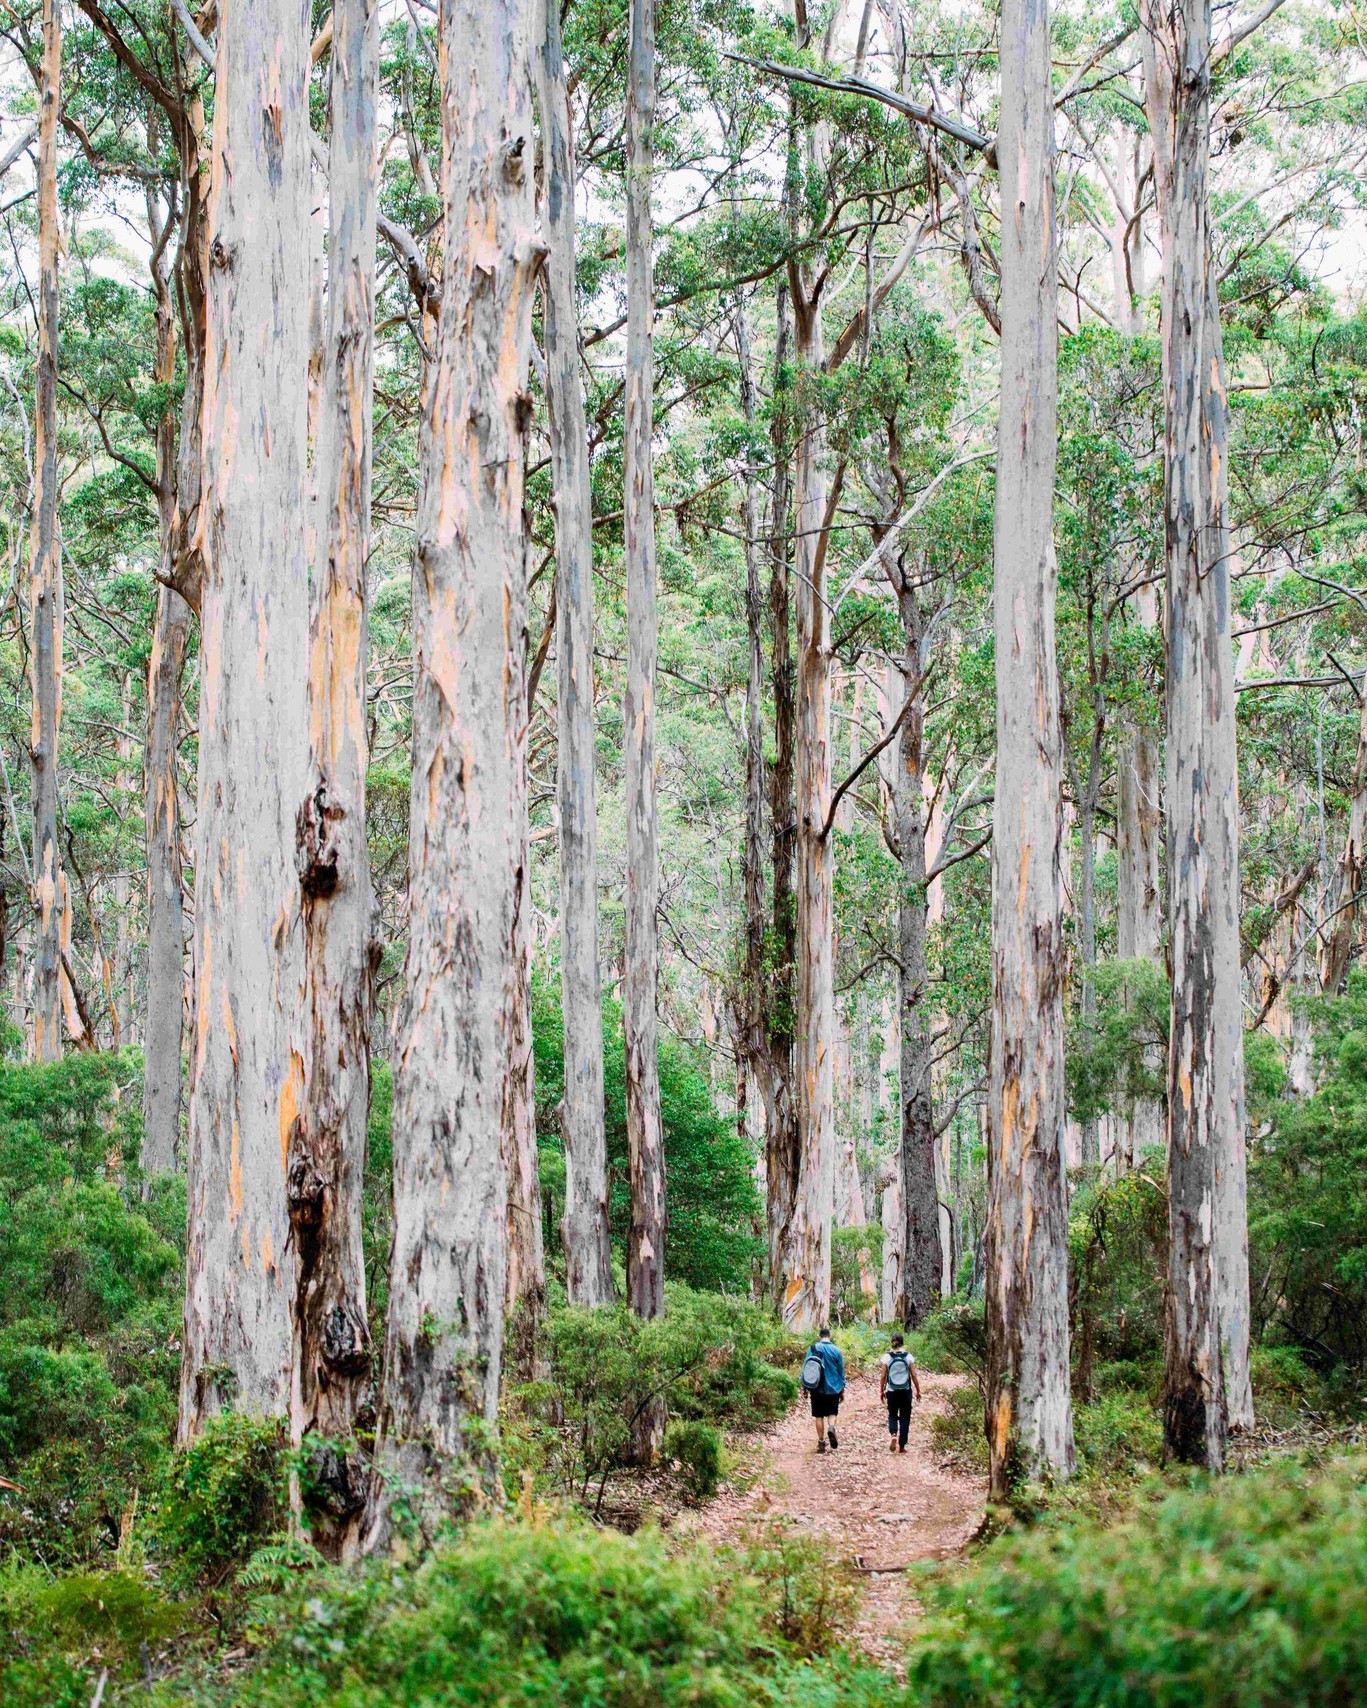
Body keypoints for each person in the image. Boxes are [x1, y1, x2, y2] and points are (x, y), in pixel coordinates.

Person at [805, 1325, 845, 1453]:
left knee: (818, 1415)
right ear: (830, 1336)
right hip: (833, 1388)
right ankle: (831, 1427)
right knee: (832, 1412)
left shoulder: (813, 1348)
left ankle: (821, 1443)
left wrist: (804, 1387)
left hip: (816, 1387)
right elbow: (841, 1372)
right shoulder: (836, 1350)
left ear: (819, 1336)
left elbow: (806, 1369)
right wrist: (842, 1389)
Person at [879, 1331, 921, 1453]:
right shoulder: (908, 1357)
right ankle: (902, 1446)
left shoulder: (886, 1357)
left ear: (891, 1343)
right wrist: (918, 1390)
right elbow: (913, 1375)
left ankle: (893, 1434)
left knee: (892, 1414)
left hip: (891, 1391)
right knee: (905, 1417)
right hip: (906, 1391)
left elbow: (883, 1376)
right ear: (902, 1343)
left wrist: (881, 1391)